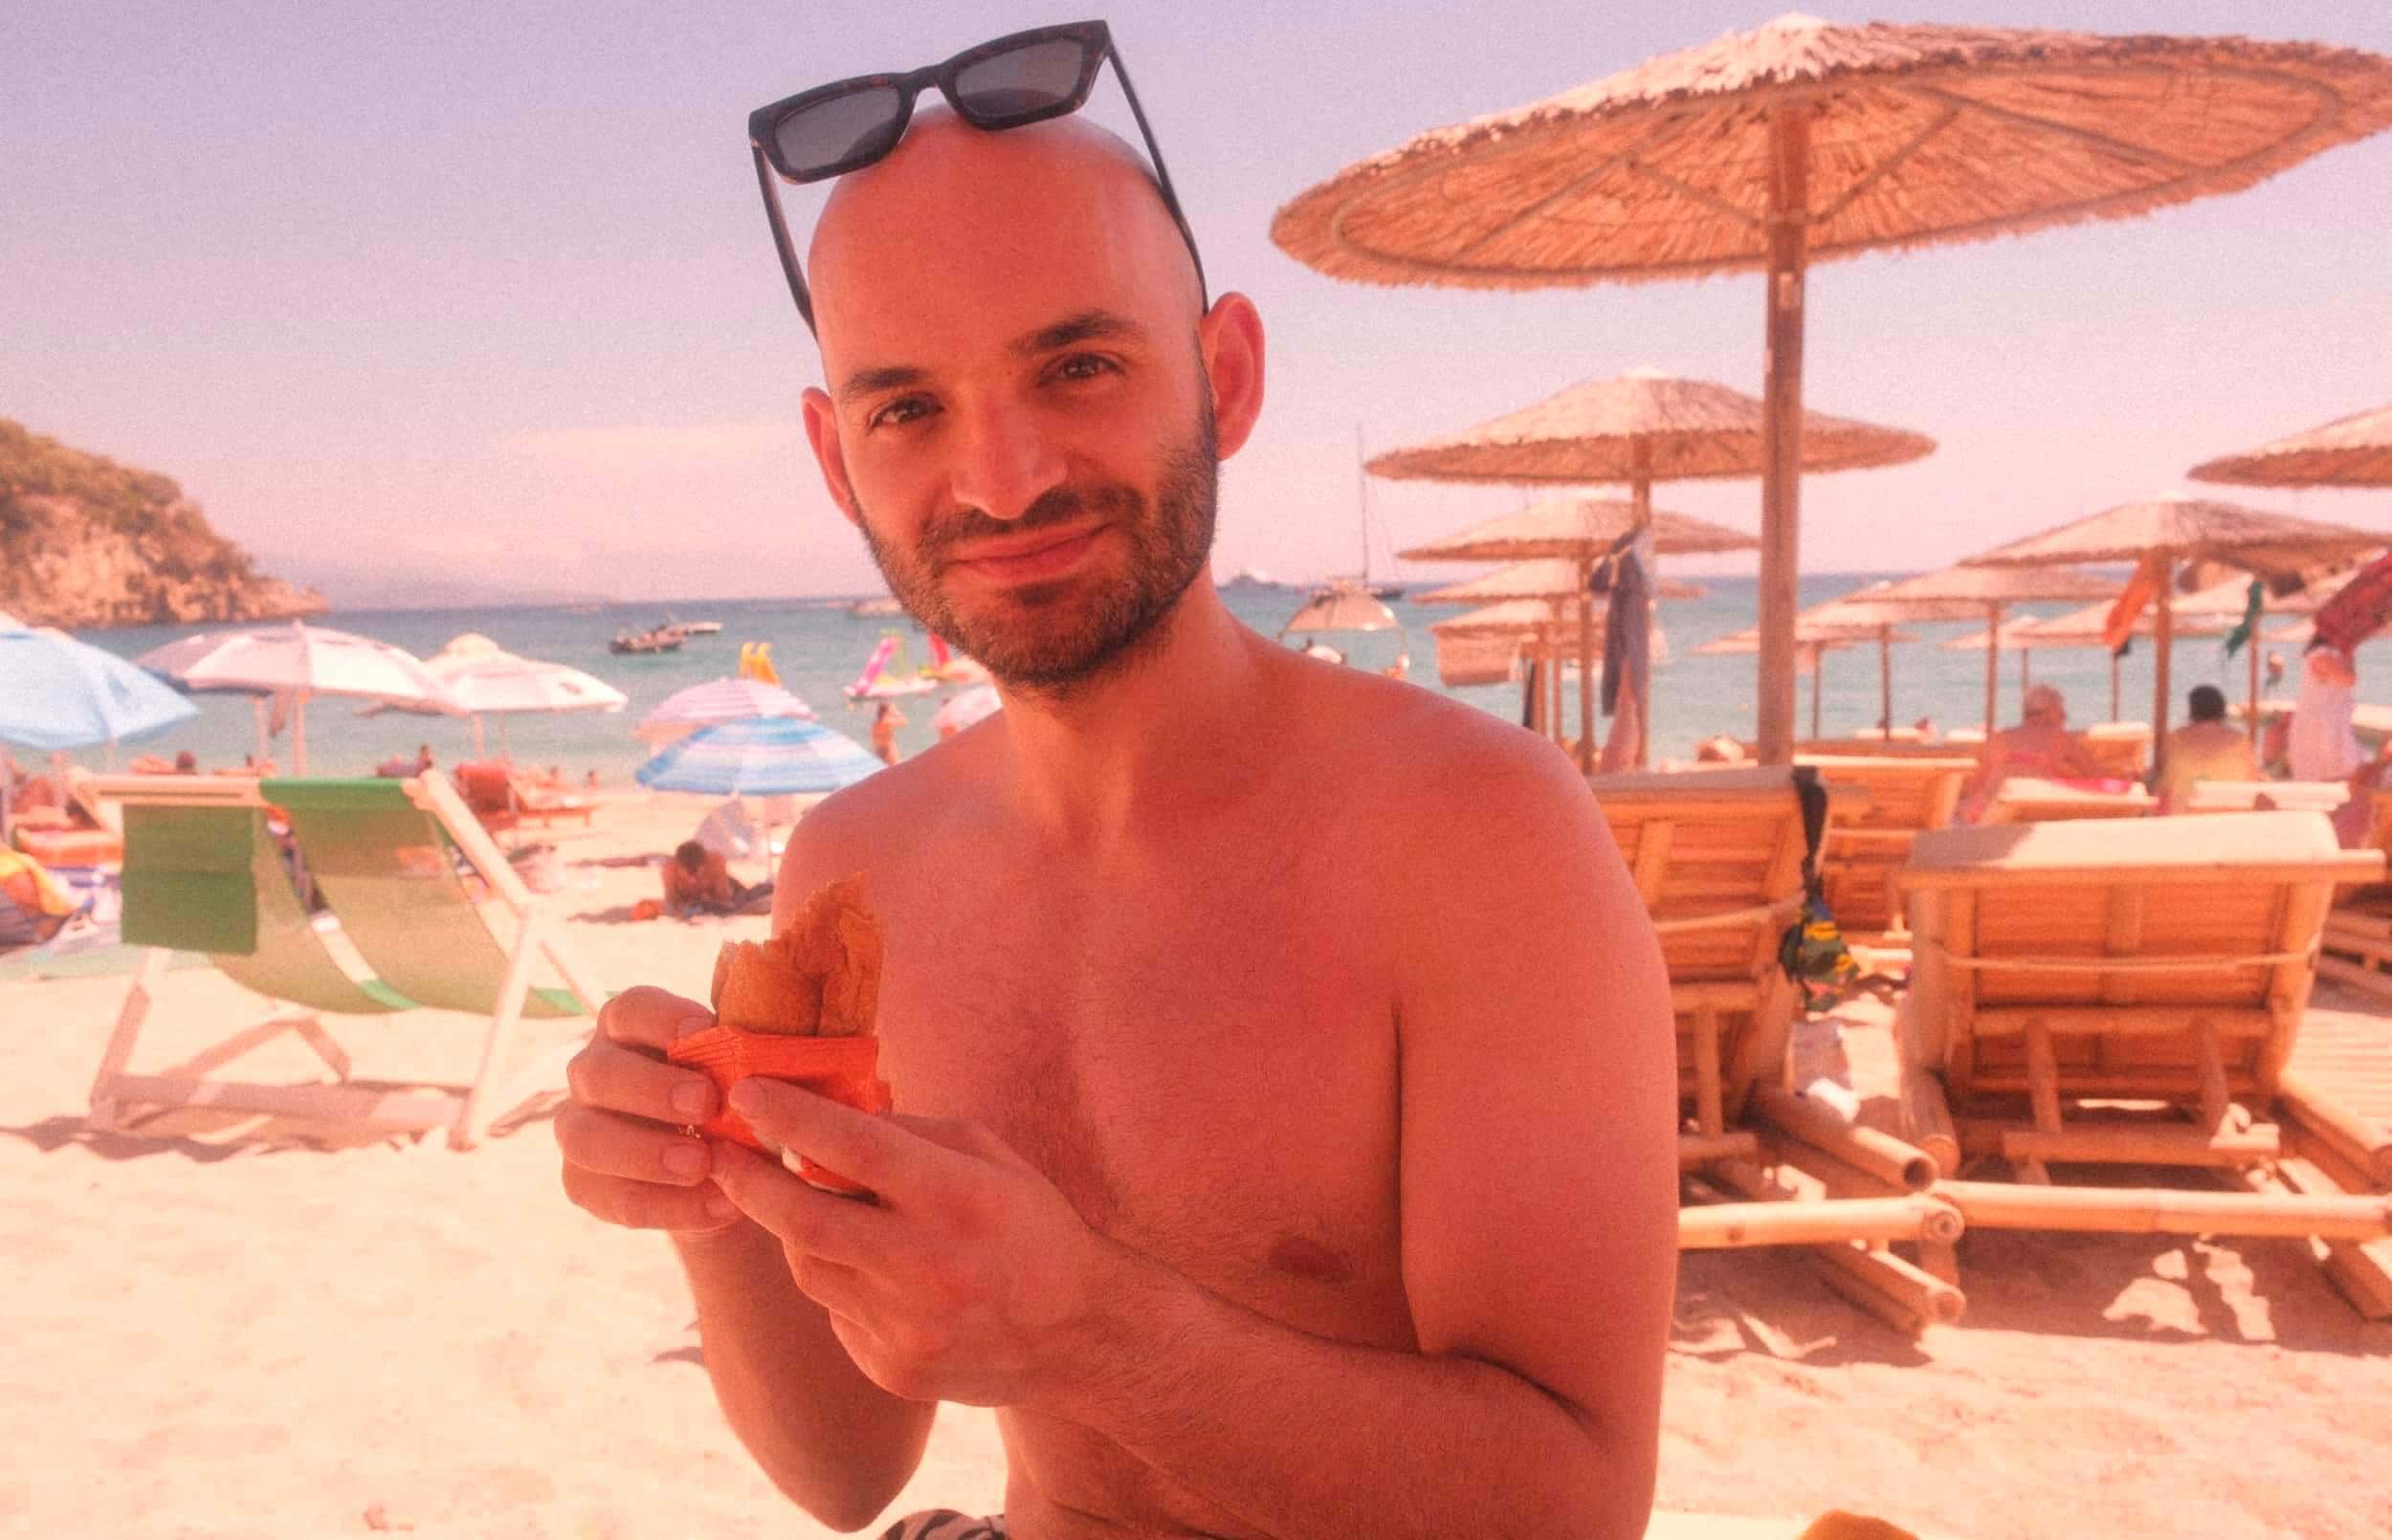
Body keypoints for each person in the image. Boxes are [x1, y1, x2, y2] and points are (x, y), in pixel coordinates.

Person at [556, 62, 1673, 1540]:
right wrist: (710, 1203)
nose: (1003, 479)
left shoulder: (1476, 836)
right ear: (839, 462)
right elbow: (846, 1471)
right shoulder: (857, 865)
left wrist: (1098, 1334)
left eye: (1078, 367)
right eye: (909, 408)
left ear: (1228, 374)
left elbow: (1578, 1509)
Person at [1957, 683, 2105, 823]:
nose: (2065, 717)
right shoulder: (2060, 739)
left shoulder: (1998, 739)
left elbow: (1975, 786)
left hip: (1990, 809)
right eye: (2061, 712)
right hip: (2038, 808)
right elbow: (2097, 775)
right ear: (2049, 712)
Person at [2152, 684, 2259, 813]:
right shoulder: (2240, 741)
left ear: (2192, 710)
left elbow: (2162, 775)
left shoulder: (2175, 739)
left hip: (2181, 818)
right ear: (2221, 710)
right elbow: (2252, 779)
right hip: (2230, 817)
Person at [2285, 645, 2364, 783]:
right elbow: (2349, 679)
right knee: (2328, 779)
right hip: (2321, 727)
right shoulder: (2321, 653)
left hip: (2331, 726)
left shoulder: (2335, 652)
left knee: (2340, 778)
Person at [660, 839, 764, 919]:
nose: (693, 880)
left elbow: (724, 898)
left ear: (704, 864)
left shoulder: (715, 862)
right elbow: (672, 901)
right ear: (678, 866)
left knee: (749, 896)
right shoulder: (669, 870)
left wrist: (710, 902)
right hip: (693, 899)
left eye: (697, 873)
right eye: (688, 875)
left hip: (728, 888)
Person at [870, 700, 906, 767]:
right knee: (892, 767)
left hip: (882, 749)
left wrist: (892, 709)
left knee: (886, 767)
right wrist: (894, 710)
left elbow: (903, 721)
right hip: (885, 749)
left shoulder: (878, 723)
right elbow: (903, 721)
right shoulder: (884, 722)